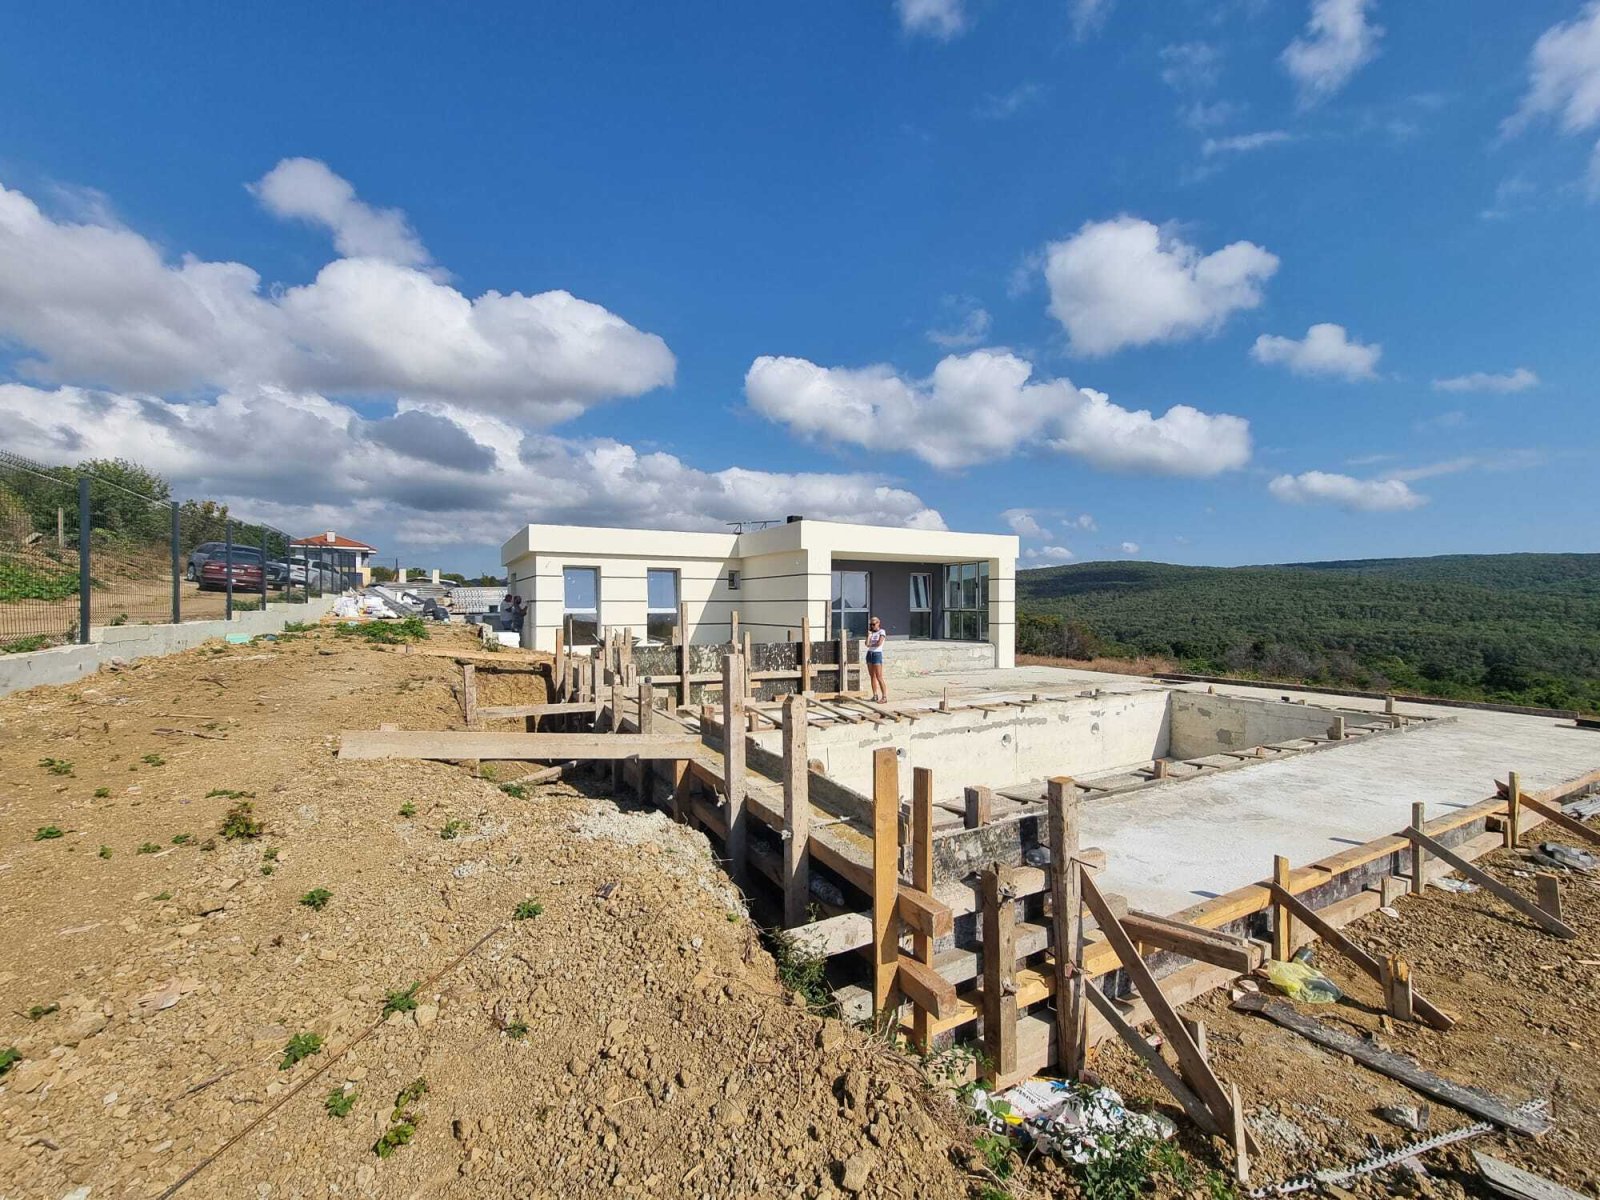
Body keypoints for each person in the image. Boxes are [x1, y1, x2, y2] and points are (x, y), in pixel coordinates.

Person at [864, 615, 888, 703]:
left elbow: (879, 643)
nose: (872, 626)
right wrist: (869, 636)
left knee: (879, 676)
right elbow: (866, 644)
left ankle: (884, 696)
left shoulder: (882, 631)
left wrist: (870, 645)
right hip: (870, 653)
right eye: (871, 624)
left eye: (873, 624)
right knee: (872, 676)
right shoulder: (871, 633)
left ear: (878, 623)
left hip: (877, 654)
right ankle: (875, 695)